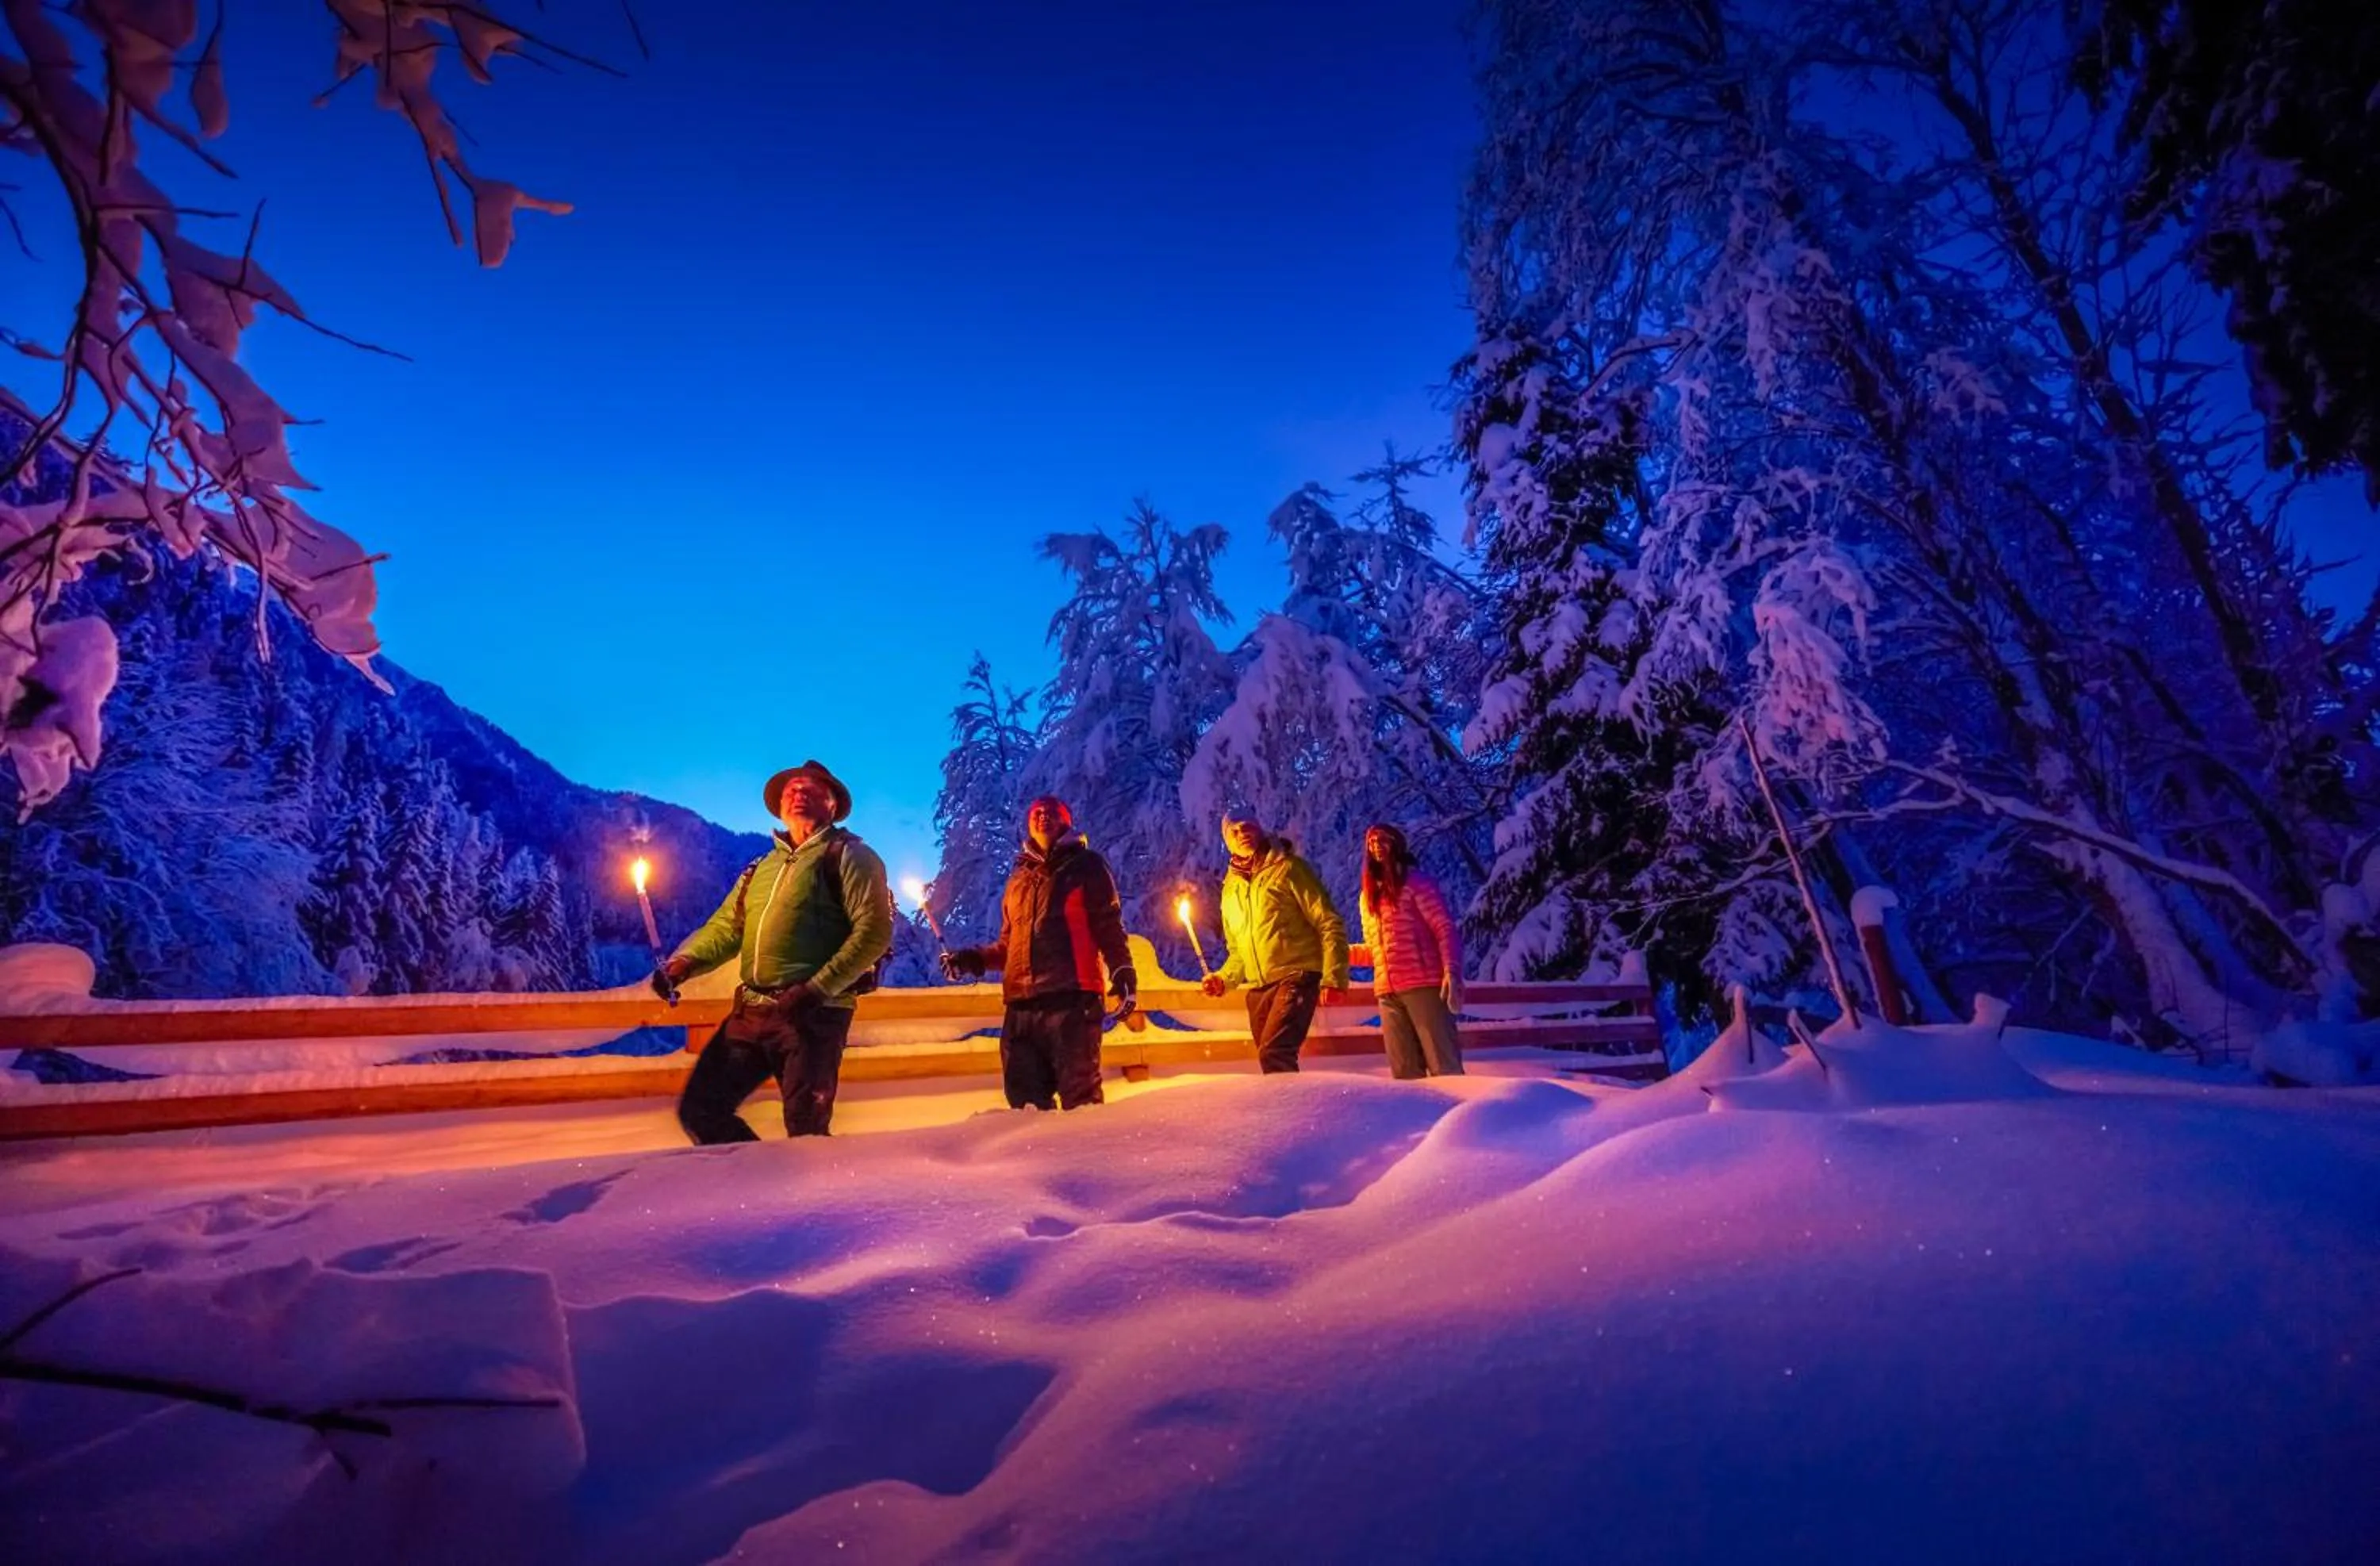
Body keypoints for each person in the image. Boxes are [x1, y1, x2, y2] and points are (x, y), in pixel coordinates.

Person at [658, 759, 892, 1142]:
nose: (798, 794)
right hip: (751, 1011)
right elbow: (726, 928)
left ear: (833, 804)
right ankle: (757, 1178)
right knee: (701, 1110)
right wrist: (684, 964)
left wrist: (816, 990)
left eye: (811, 789)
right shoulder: (760, 868)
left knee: (806, 1131)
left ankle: (805, 1184)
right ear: (780, 806)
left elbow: (874, 933)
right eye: (791, 790)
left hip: (814, 1016)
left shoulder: (851, 857)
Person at [939, 796, 1137, 1111]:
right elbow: (1009, 946)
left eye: (1052, 812)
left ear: (1066, 821)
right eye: (1037, 813)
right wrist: (973, 959)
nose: (1043, 816)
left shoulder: (1087, 866)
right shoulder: (1019, 879)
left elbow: (1108, 925)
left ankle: (1088, 1146)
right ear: (1029, 823)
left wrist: (1122, 971)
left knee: (1080, 1100)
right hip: (1021, 1008)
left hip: (1072, 1000)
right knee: (1024, 1104)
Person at [1201, 813, 1350, 1073]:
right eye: (1234, 831)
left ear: (1260, 830)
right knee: (1270, 1062)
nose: (1242, 833)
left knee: (1275, 1052)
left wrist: (1334, 977)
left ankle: (1297, 1102)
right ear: (1227, 841)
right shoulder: (1231, 889)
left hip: (1298, 975)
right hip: (1260, 988)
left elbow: (1329, 922)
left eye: (1247, 827)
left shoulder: (1289, 869)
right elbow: (1238, 952)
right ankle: (1287, 1100)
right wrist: (1223, 979)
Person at [1358, 823, 1465, 1079]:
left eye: (1383, 840)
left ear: (1397, 844)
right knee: (1404, 1071)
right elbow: (1376, 950)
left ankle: (1459, 1106)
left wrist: (1451, 970)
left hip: (1423, 984)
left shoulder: (1416, 883)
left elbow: (1443, 927)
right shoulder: (1368, 896)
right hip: (1387, 992)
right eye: (1371, 842)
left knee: (1444, 1065)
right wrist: (1333, 952)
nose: (1377, 846)